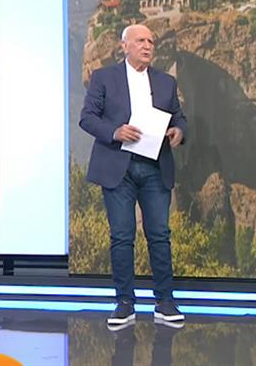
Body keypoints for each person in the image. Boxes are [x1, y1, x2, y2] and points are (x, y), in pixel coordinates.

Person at [80, 24, 188, 327]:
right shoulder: (104, 78)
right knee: (122, 236)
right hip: (119, 168)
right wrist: (114, 132)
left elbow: (179, 117)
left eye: (151, 41)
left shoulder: (166, 82)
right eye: (140, 40)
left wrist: (179, 131)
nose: (147, 45)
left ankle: (164, 301)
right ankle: (125, 303)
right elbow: (87, 118)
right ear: (124, 46)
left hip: (155, 168)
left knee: (159, 235)